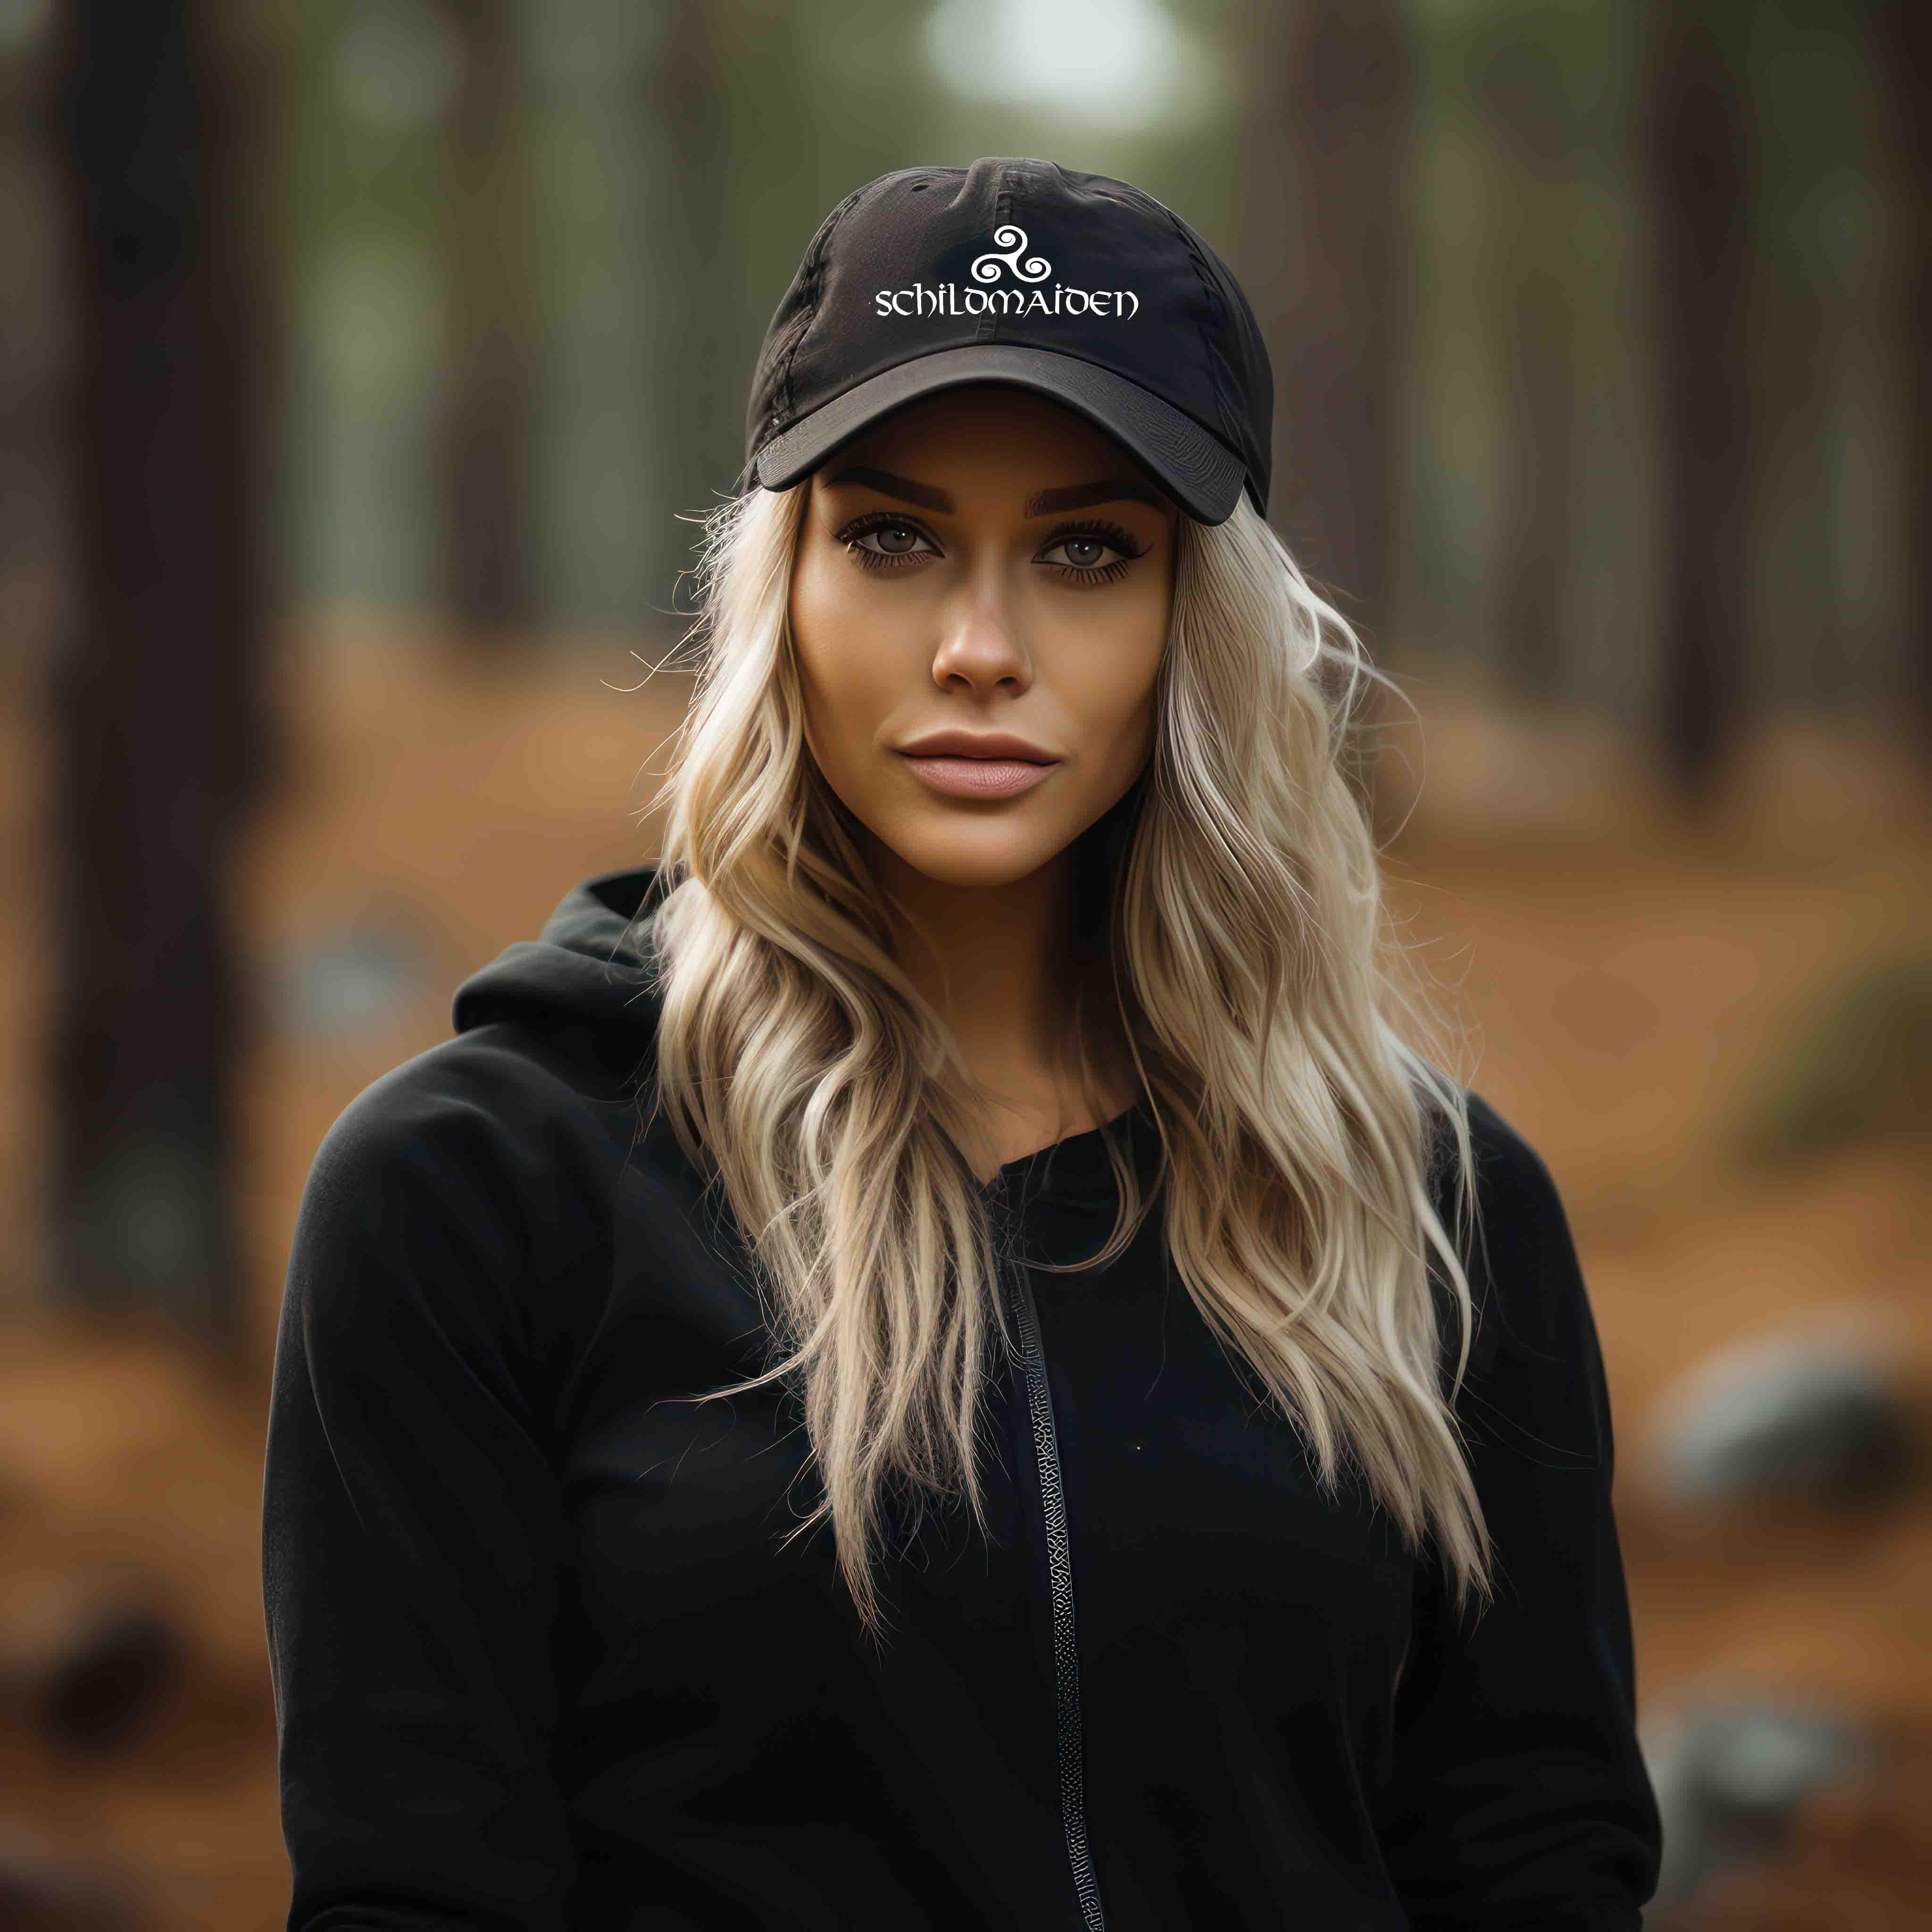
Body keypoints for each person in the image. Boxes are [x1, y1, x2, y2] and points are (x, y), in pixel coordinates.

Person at [262, 157, 1664, 1930]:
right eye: (894, 538)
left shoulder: (1436, 1208)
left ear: (1191, 625)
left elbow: (1534, 1853)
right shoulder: (476, 1189)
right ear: (786, 586)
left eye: (1086, 552)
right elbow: (417, 1887)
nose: (981, 648)